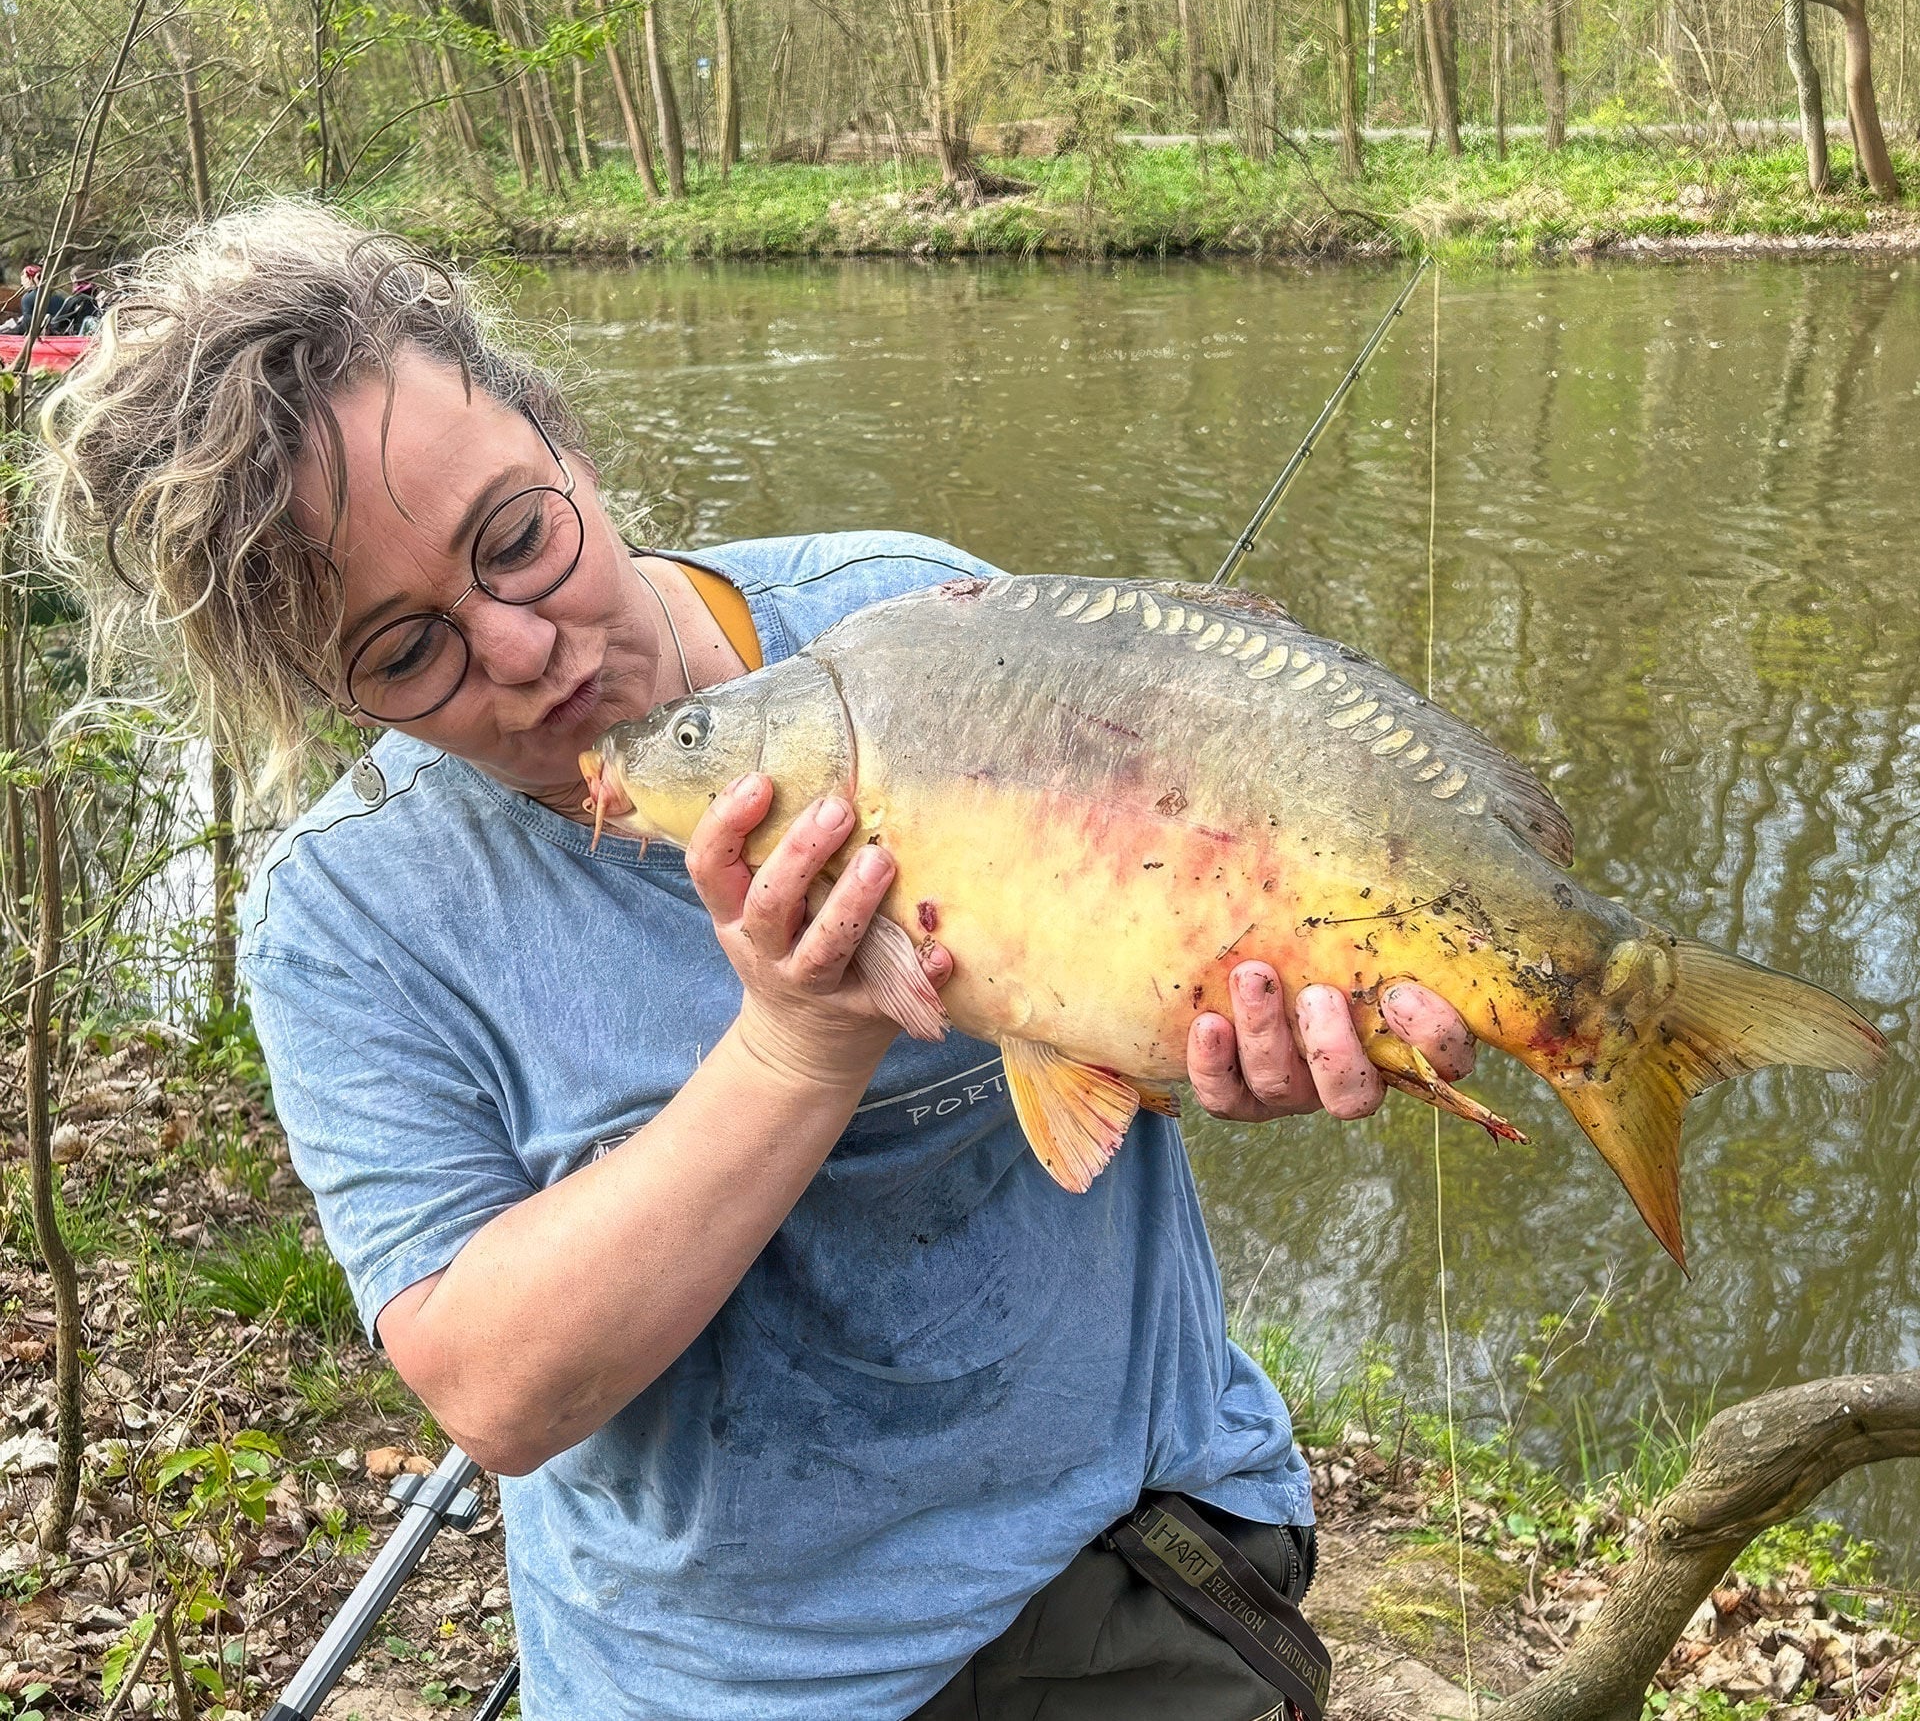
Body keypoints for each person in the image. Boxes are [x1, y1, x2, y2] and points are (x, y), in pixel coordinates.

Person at [39, 203, 1479, 1721]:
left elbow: (1160, 980)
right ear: (333, 698)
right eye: (408, 652)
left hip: (1129, 1562)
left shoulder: (920, 618)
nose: (524, 648)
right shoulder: (348, 921)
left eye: (518, 536)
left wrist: (1230, 1043)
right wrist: (796, 1040)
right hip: (715, 1678)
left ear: (562, 436)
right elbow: (494, 1388)